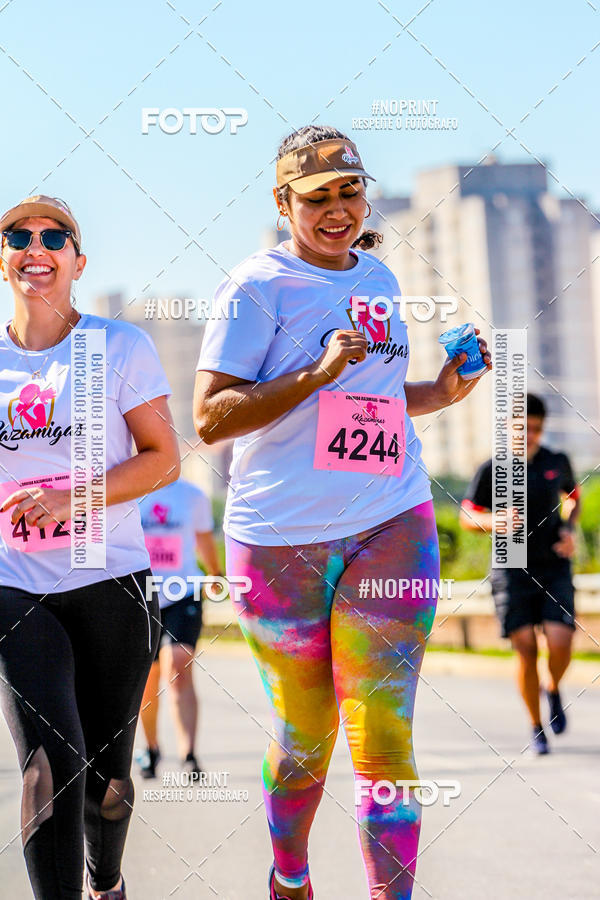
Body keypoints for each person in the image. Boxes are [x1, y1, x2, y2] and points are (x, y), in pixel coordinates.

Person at [193, 126, 492, 900]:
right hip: (278, 539)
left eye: (349, 192)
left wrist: (442, 392)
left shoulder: (381, 279)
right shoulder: (256, 286)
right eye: (316, 197)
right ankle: (289, 875)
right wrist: (315, 370)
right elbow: (211, 418)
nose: (336, 210)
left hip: (392, 521)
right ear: (283, 202)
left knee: (384, 736)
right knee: (304, 742)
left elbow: (376, 402)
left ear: (367, 193)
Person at [0, 195, 180, 899]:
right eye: (18, 235)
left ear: (78, 261)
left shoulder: (117, 346)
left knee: (107, 782)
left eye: (55, 235)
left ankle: (107, 880)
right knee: (49, 763)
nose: (35, 245)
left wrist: (74, 499)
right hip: (15, 583)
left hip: (112, 580)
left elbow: (163, 458)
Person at [460, 393, 580, 755]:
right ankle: (535, 727)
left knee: (560, 642)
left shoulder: (556, 461)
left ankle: (553, 687)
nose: (530, 435)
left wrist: (570, 530)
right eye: (523, 428)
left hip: (553, 565)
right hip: (510, 568)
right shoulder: (491, 468)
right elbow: (466, 515)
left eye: (537, 429)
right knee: (526, 649)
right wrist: (491, 521)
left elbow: (574, 496)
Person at [136, 477, 222, 779]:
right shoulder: (129, 488)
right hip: (140, 595)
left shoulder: (193, 495)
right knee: (147, 678)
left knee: (178, 665)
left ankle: (188, 754)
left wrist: (215, 572)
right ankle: (151, 748)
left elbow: (204, 539)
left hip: (184, 589)